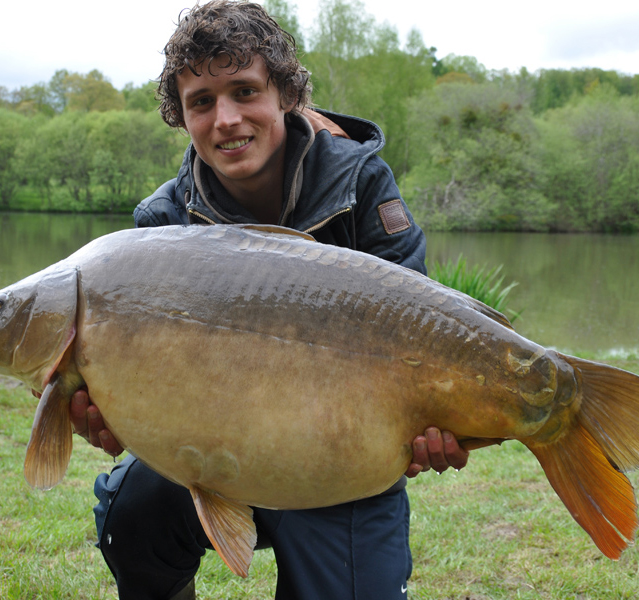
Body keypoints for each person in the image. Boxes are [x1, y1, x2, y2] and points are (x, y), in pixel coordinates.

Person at [70, 2, 469, 598]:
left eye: (244, 90)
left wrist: (435, 420)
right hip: (212, 456)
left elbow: (422, 338)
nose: (226, 119)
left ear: (284, 91)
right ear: (181, 116)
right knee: (132, 510)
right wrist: (123, 414)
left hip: (340, 466)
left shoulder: (361, 185)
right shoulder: (160, 224)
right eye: (201, 101)